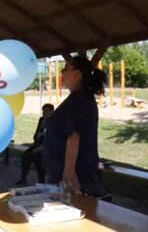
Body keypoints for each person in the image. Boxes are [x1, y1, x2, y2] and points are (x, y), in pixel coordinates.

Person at [43, 56, 107, 192]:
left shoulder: (79, 100)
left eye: (66, 68)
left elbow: (74, 136)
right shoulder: (79, 98)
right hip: (64, 171)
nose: (62, 72)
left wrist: (69, 171)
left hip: (74, 175)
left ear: (77, 74)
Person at [15, 103, 54, 185]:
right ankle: (23, 179)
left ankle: (41, 182)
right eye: (43, 111)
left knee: (38, 160)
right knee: (26, 155)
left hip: (46, 148)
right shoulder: (41, 119)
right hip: (37, 145)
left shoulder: (53, 123)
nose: (44, 113)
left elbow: (49, 141)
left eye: (47, 111)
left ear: (52, 112)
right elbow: (37, 134)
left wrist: (37, 149)